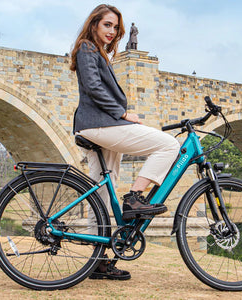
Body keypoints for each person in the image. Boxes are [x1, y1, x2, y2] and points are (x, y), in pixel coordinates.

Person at [69, 4, 180, 280]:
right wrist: (122, 114)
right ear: (94, 24)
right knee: (168, 145)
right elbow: (93, 88)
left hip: (100, 125)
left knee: (100, 195)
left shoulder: (99, 53)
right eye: (107, 24)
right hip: (101, 124)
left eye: (116, 27)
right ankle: (134, 198)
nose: (112, 31)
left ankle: (97, 261)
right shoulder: (86, 48)